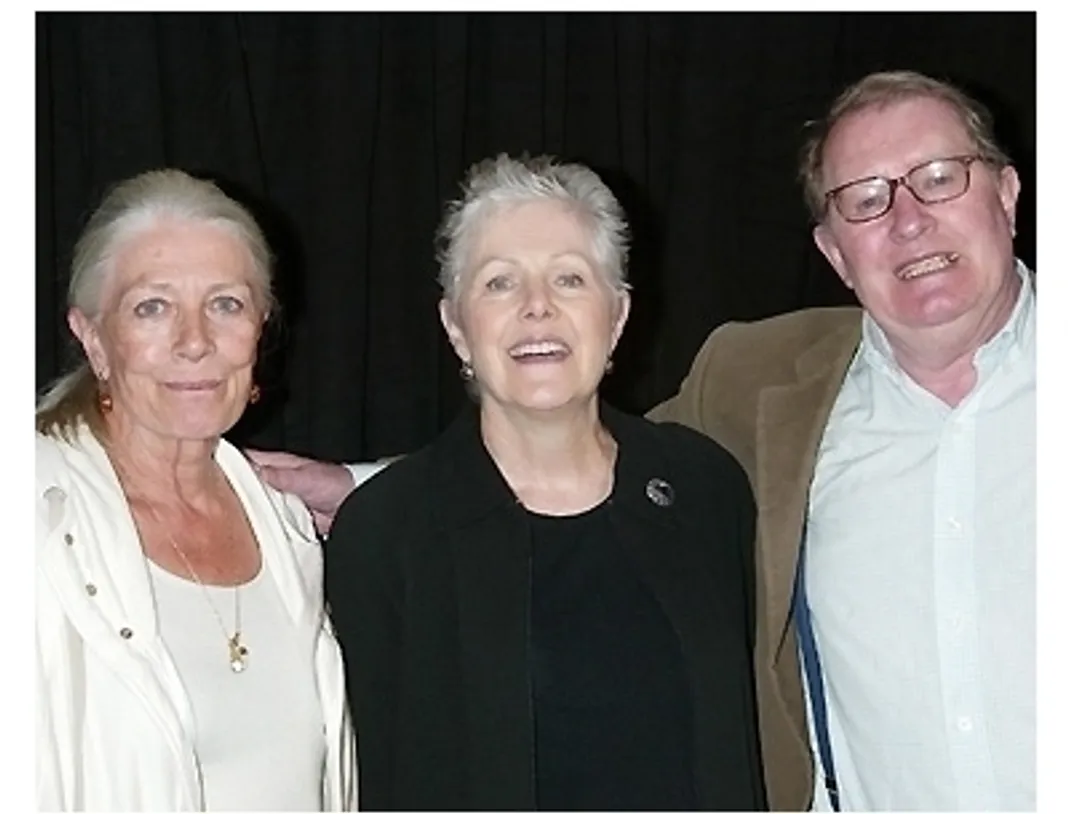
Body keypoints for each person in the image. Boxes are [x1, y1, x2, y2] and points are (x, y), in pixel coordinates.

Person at [250, 69, 1035, 812]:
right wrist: (360, 487)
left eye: (939, 177)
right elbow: (550, 463)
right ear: (832, 251)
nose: (907, 220)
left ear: (1006, 192)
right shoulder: (760, 395)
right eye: (864, 200)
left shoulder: (700, 486)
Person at [321, 153, 766, 810]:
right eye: (500, 283)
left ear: (615, 317)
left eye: (569, 279)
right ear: (455, 326)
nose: (537, 308)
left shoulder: (703, 488)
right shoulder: (385, 531)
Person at [35, 169, 356, 811]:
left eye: (225, 304)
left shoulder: (285, 525)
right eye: (153, 306)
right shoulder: (34, 515)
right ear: (94, 339)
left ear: (259, 330)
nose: (194, 342)